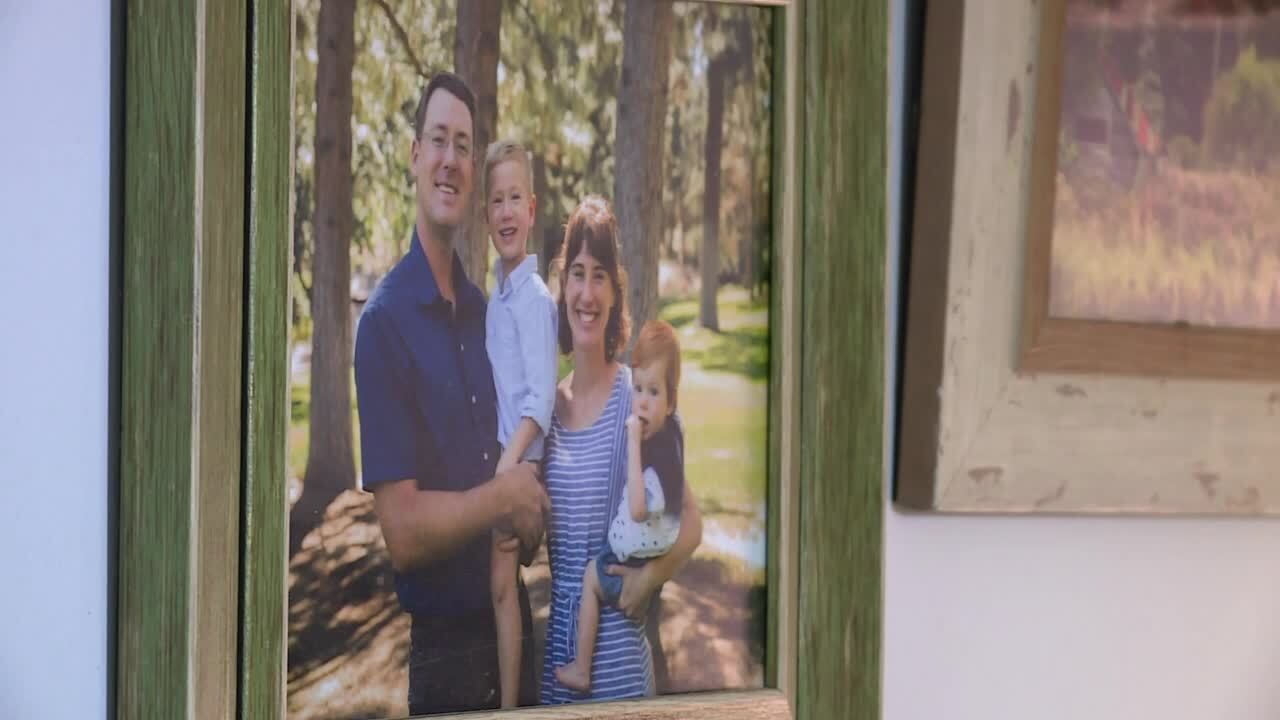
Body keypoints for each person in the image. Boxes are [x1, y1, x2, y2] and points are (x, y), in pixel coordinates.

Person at [352, 72, 547, 716]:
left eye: (464, 146)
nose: (451, 159)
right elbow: (403, 533)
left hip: (514, 632)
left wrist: (530, 514)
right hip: (447, 665)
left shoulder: (490, 315)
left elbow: (524, 487)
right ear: (414, 156)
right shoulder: (383, 325)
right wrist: (503, 498)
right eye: (438, 140)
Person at [539, 196, 702, 705]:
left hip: (622, 680)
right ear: (563, 284)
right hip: (559, 671)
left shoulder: (639, 398)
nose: (587, 293)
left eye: (600, 277)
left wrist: (650, 577)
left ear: (615, 293)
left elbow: (691, 523)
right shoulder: (544, 411)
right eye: (578, 274)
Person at [554, 319, 686, 693]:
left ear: (671, 401)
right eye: (639, 389)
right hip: (640, 557)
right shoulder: (669, 434)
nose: (642, 401)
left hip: (627, 564)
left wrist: (632, 442)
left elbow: (639, 509)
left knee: (591, 578)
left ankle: (582, 668)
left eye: (654, 392)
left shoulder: (654, 445)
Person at [481, 138, 558, 709]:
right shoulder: (499, 298)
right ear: (486, 215)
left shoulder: (534, 298)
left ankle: (512, 706)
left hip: (520, 463)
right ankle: (512, 701)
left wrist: (508, 467)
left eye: (515, 199)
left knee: (504, 587)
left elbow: (541, 400)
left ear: (531, 210)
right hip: (504, 461)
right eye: (496, 201)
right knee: (502, 587)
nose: (506, 212)